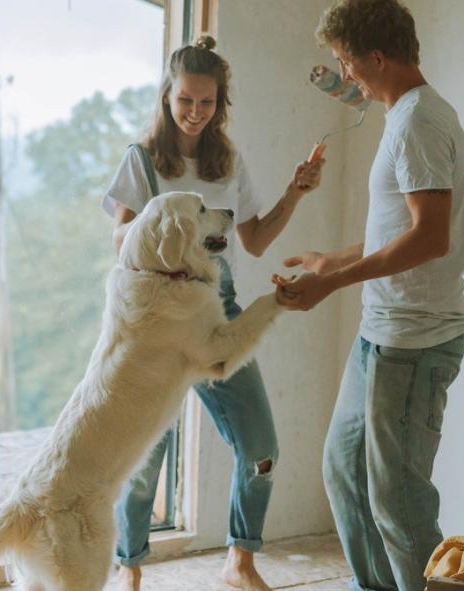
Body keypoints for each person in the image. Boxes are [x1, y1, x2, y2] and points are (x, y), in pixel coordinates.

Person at [102, 35, 325, 591]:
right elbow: (119, 242)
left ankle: (240, 560)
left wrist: (295, 193)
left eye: (206, 102)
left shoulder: (228, 161)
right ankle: (128, 567)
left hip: (216, 311)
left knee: (260, 448)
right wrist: (167, 215)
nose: (195, 113)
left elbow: (252, 242)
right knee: (143, 456)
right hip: (154, 318)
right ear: (167, 97)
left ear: (219, 103)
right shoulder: (143, 159)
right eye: (185, 101)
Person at [273, 1, 464, 590]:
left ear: (377, 58)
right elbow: (400, 232)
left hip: (415, 342)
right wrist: (330, 260)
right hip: (380, 336)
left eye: (346, 62)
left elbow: (431, 238)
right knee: (344, 474)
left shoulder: (419, 122)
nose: (347, 75)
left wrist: (330, 285)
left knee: (401, 507)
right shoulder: (407, 117)